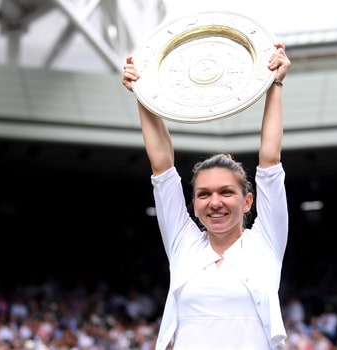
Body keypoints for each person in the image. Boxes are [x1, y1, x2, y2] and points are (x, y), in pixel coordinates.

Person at [122, 42, 292, 350]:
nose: (214, 202)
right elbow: (161, 166)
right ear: (194, 205)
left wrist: (275, 83)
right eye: (204, 194)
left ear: (248, 202)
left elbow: (269, 160)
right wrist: (143, 92)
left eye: (226, 192)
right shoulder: (183, 244)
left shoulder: (265, 242)